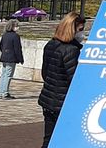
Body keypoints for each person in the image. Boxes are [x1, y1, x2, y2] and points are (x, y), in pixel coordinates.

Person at [38, 11, 85, 148]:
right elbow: (74, 80)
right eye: (80, 30)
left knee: (48, 139)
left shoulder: (51, 45)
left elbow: (45, 73)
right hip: (63, 102)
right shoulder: (70, 50)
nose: (82, 34)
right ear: (72, 29)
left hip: (48, 100)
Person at [0, 18, 24, 99]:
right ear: (13, 26)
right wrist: (20, 59)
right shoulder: (15, 36)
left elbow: (1, 46)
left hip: (4, 57)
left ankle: (1, 92)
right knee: (8, 75)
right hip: (11, 58)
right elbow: (17, 48)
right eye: (16, 26)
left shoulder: (5, 35)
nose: (17, 27)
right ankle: (5, 93)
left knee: (3, 75)